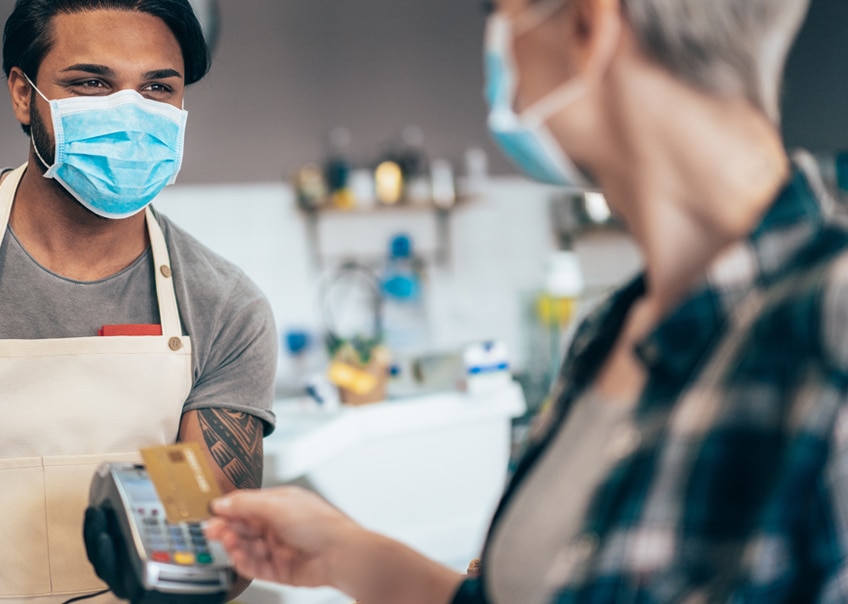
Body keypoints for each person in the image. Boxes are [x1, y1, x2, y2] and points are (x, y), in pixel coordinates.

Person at [205, 0, 848, 601]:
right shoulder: (612, 330)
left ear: (587, 29)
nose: (496, 55)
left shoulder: (828, 331)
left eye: (499, 13)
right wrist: (345, 555)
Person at [0, 1, 276, 603]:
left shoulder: (226, 306)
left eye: (157, 88)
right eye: (91, 83)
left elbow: (213, 552)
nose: (130, 112)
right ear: (22, 93)